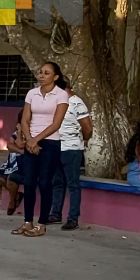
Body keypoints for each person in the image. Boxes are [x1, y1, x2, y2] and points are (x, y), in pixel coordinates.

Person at [14, 62, 68, 237]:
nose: (42, 75)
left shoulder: (61, 95)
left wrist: (36, 139)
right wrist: (29, 139)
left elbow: (56, 123)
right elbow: (25, 119)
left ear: (56, 77)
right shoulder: (32, 93)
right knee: (29, 182)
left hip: (50, 142)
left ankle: (42, 223)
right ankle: (27, 222)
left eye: (46, 73)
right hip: (31, 141)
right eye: (40, 72)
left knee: (45, 182)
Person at [48, 80, 92, 230]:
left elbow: (87, 126)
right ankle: (55, 214)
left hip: (72, 149)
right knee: (57, 183)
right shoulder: (56, 102)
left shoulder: (76, 103)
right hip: (55, 147)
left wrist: (84, 139)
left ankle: (73, 218)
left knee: (73, 185)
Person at [0, 111, 26, 216]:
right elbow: (9, 146)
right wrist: (19, 150)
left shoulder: (29, 133)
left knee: (11, 178)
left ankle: (12, 202)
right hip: (12, 161)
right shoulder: (15, 133)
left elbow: (19, 144)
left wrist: (20, 132)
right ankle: (16, 196)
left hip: (22, 163)